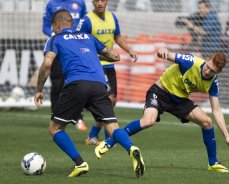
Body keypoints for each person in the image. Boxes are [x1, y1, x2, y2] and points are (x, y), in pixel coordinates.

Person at [34, 9, 145, 178]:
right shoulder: (88, 37)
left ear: (57, 25)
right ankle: (131, 148)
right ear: (71, 23)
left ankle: (80, 163)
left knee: (55, 128)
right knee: (113, 126)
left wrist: (39, 90)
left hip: (76, 84)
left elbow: (47, 64)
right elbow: (114, 56)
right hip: (100, 84)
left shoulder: (55, 38)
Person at [95, 48, 229, 173]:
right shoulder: (191, 62)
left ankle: (213, 163)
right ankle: (110, 141)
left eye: (212, 71)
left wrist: (227, 136)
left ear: (218, 72)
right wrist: (162, 52)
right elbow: (168, 54)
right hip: (160, 92)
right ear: (207, 60)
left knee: (206, 122)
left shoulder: (213, 83)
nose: (207, 71)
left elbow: (216, 110)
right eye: (208, 67)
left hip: (179, 100)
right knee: (148, 121)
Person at [76, 0, 138, 145]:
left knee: (112, 102)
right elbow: (77, 41)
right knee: (107, 101)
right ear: (92, 2)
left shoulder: (112, 17)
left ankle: (93, 136)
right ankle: (105, 138)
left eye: (102, 0)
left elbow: (117, 36)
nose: (99, 3)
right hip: (95, 66)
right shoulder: (86, 20)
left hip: (110, 65)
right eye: (96, 0)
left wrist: (129, 50)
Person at [42, 0, 88, 130]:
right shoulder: (51, 4)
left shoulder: (80, 3)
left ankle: (78, 118)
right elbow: (45, 27)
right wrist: (59, 36)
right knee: (57, 84)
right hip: (58, 48)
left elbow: (84, 23)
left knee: (77, 81)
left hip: (75, 49)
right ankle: (55, 116)